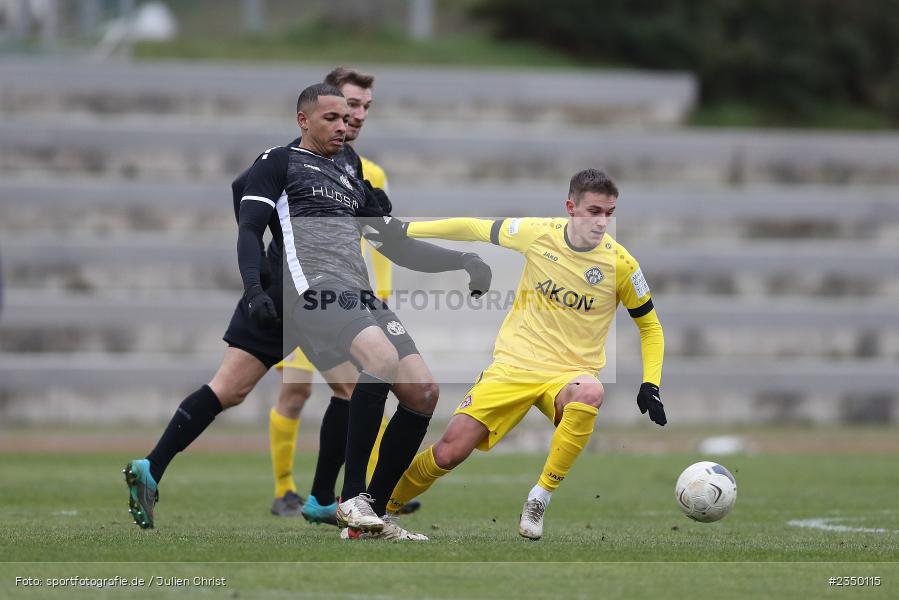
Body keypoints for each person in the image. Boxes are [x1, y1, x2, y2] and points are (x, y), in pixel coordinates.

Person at [124, 83, 491, 542]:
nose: (347, 123)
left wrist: (461, 260)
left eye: (354, 114)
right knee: (350, 373)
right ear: (305, 118)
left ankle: (354, 507)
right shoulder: (278, 161)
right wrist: (254, 287)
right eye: (337, 115)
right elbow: (248, 225)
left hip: (354, 292)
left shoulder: (351, 172)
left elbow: (393, 241)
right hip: (302, 290)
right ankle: (348, 499)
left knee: (421, 391)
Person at [365, 169, 666, 540]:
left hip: (569, 374)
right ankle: (379, 511)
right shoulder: (538, 233)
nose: (602, 221)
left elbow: (650, 326)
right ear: (571, 208)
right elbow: (475, 228)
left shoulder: (621, 264)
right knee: (448, 453)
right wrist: (405, 230)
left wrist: (651, 384)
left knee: (591, 392)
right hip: (514, 365)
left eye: (609, 212)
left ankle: (539, 498)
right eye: (593, 211)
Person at [262, 67, 419, 522]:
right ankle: (287, 491)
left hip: (354, 298)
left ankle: (341, 494)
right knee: (296, 391)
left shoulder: (368, 171)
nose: (358, 115)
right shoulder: (293, 163)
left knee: (356, 389)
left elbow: (380, 236)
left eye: (366, 107)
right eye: (351, 105)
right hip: (310, 297)